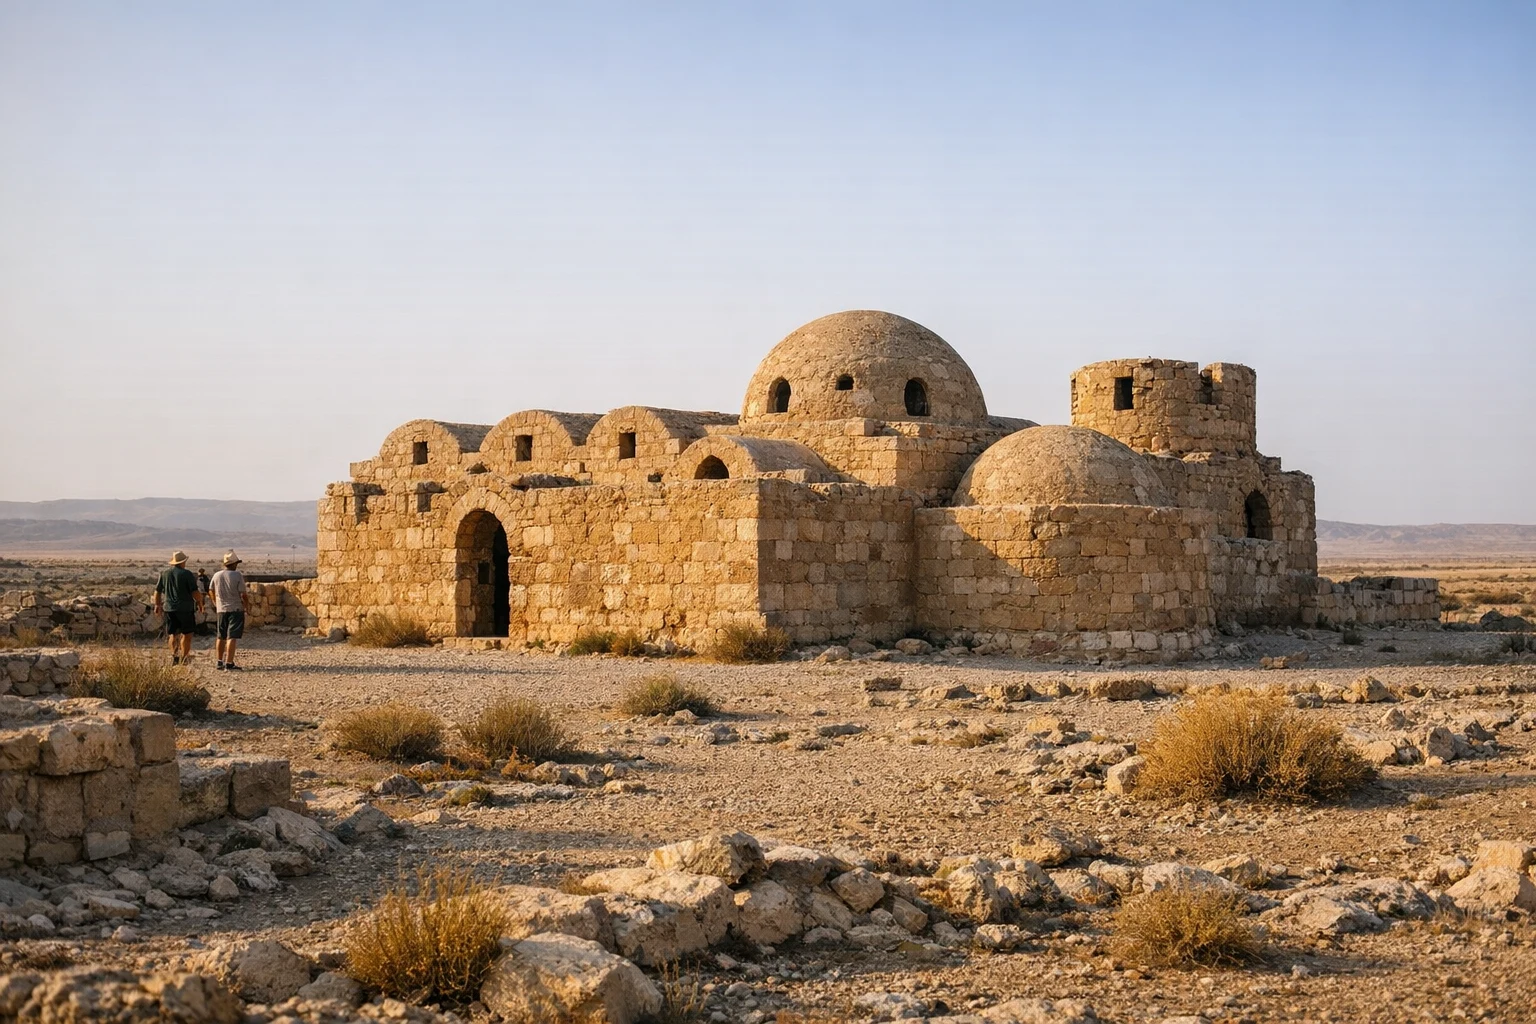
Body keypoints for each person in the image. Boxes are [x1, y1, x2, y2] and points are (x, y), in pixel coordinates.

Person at [154, 550, 203, 665]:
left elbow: (157, 591)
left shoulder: (164, 574)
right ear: (183, 562)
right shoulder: (187, 574)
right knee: (187, 634)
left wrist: (157, 605)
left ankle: (174, 656)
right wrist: (200, 602)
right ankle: (184, 657)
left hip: (169, 608)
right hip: (185, 609)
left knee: (173, 634)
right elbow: (194, 592)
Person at [209, 550, 249, 671]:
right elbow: (243, 594)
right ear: (234, 564)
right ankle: (229, 662)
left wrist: (215, 602)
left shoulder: (216, 575)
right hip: (235, 608)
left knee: (220, 636)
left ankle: (219, 661)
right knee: (232, 636)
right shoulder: (237, 575)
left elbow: (210, 590)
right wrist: (247, 606)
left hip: (221, 609)